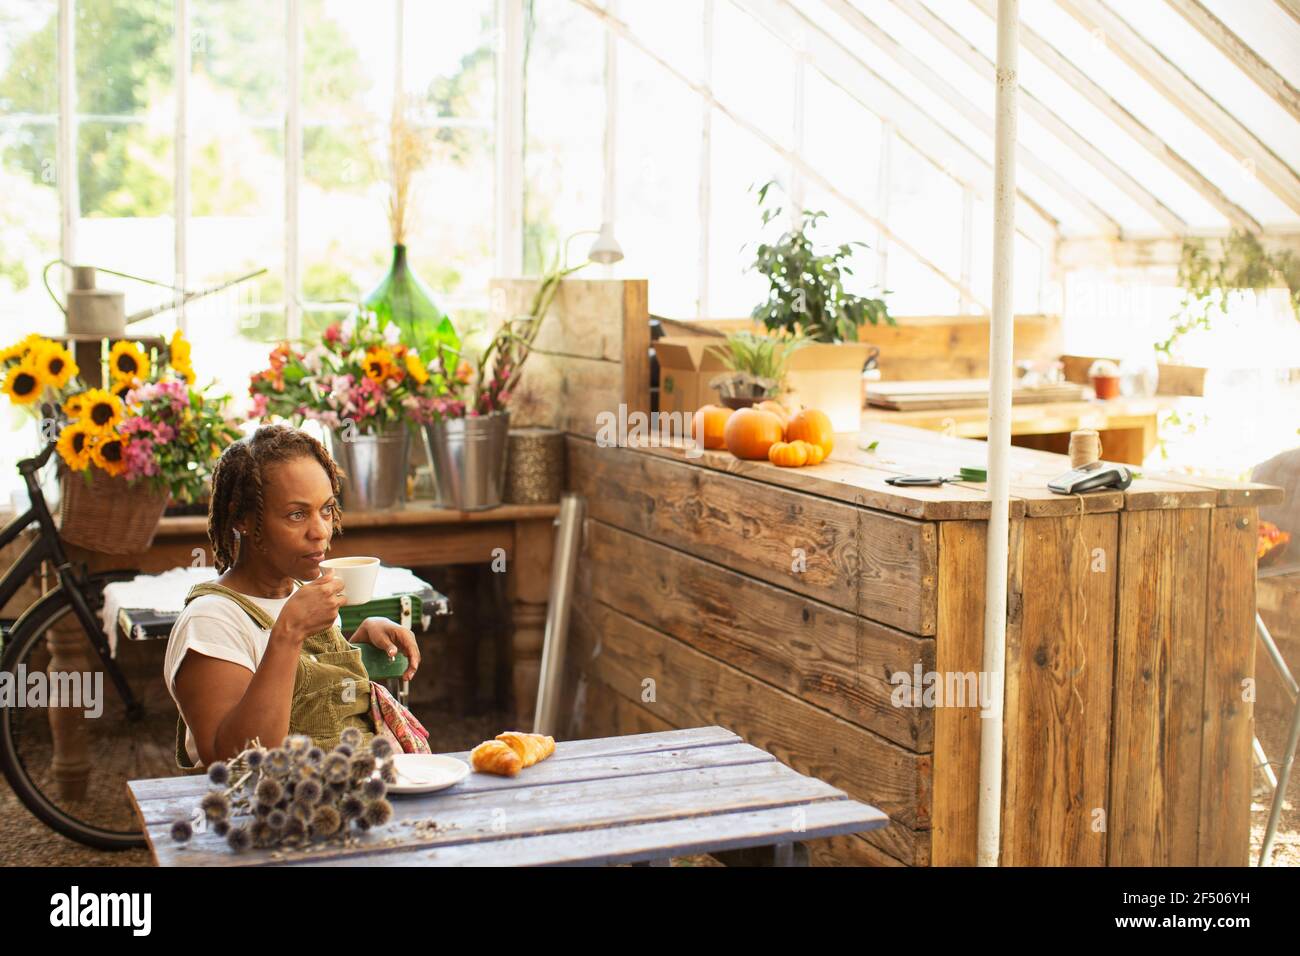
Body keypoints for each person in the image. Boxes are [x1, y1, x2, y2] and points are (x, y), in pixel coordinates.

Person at [163, 424, 421, 768]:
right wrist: (288, 633)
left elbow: (314, 691)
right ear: (242, 517)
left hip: (361, 787)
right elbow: (234, 760)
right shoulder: (211, 620)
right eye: (297, 515)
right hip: (279, 813)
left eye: (326, 510)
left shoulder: (302, 593)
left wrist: (359, 640)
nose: (321, 532)